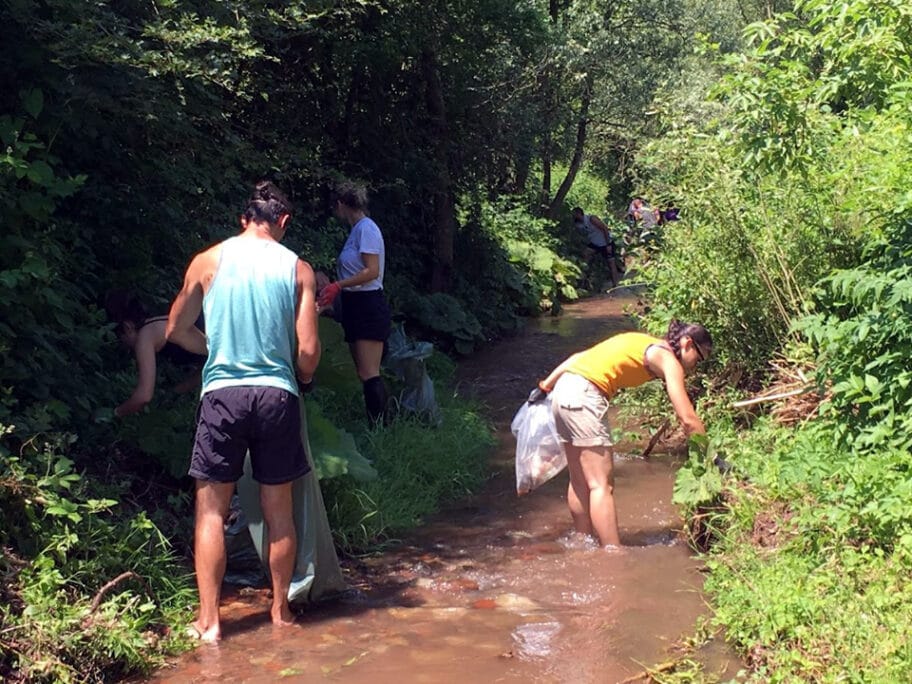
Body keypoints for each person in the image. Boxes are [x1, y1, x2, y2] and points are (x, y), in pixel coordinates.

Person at [167, 180, 320, 642]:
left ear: (242, 219)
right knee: (279, 513)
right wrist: (304, 379)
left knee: (212, 511)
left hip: (222, 396)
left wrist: (211, 347)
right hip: (276, 396)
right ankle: (280, 613)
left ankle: (210, 622)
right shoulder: (298, 269)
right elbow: (309, 351)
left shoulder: (207, 261)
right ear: (283, 222)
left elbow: (175, 328)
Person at [528, 320, 712, 547]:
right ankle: (613, 554)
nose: (697, 366)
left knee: (580, 481)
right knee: (601, 484)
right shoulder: (668, 360)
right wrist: (706, 453)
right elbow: (687, 418)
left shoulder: (643, 342)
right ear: (687, 344)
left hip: (563, 391)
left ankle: (583, 542)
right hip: (585, 395)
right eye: (700, 357)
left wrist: (545, 386)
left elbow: (577, 357)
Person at [317, 180, 391, 425]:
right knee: (363, 372)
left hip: (368, 304)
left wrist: (338, 285)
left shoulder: (367, 229)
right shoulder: (356, 231)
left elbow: (371, 271)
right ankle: (377, 423)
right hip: (354, 303)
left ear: (340, 204)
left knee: (370, 372)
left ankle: (381, 427)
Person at [104, 290, 205, 417]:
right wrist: (175, 393)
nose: (124, 346)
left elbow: (144, 396)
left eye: (121, 339)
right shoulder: (159, 322)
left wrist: (116, 413)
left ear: (127, 327)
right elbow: (209, 362)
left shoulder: (145, 337)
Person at [571, 207, 620, 288]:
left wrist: (608, 245)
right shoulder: (578, 224)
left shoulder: (591, 219)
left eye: (576, 214)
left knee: (611, 263)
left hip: (605, 242)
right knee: (585, 255)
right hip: (594, 243)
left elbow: (604, 228)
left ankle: (616, 285)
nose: (574, 216)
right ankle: (585, 280)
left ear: (580, 213)